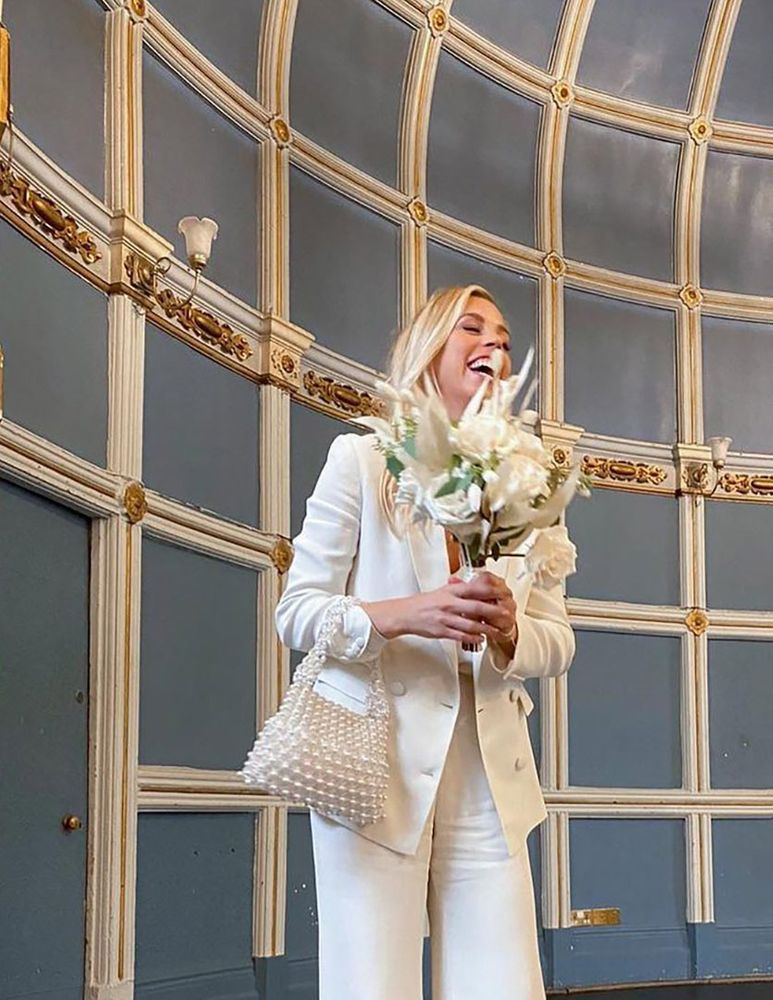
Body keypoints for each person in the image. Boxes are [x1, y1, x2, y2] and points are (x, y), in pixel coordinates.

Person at [274, 284, 576, 1000]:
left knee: (502, 987)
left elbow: (558, 640)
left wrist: (509, 633)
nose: (493, 345)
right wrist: (408, 613)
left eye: (503, 337)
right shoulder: (362, 460)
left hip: (488, 781)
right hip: (372, 771)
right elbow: (297, 612)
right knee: (370, 987)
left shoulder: (531, 490)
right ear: (428, 349)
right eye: (471, 328)